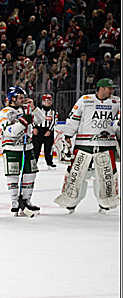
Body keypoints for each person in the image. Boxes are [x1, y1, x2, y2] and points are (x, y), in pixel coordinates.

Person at [54, 78, 121, 214]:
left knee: (106, 176)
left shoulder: (117, 102)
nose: (112, 91)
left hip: (106, 145)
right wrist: (67, 136)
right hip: (84, 144)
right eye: (109, 88)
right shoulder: (85, 100)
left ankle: (105, 203)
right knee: (77, 174)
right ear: (101, 88)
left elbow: (117, 122)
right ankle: (71, 201)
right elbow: (74, 119)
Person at [0, 86, 40, 216]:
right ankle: (15, 202)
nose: (23, 100)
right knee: (13, 176)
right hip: (12, 148)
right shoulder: (5, 112)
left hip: (28, 147)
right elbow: (7, 131)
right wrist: (22, 122)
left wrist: (34, 109)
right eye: (20, 98)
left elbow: (41, 119)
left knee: (30, 174)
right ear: (12, 98)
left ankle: (26, 200)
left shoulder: (26, 109)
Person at [31, 93, 58, 168]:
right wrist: (34, 128)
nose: (49, 102)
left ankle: (49, 162)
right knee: (36, 148)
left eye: (50, 100)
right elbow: (32, 118)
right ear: (43, 101)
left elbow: (54, 121)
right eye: (47, 100)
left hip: (48, 131)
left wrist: (49, 130)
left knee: (48, 149)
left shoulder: (54, 111)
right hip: (38, 130)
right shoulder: (38, 110)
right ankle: (33, 163)